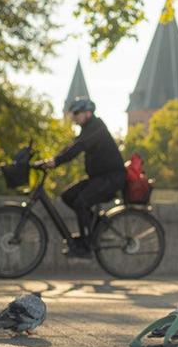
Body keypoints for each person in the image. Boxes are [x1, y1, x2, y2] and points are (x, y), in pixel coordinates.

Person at [34, 98, 125, 257]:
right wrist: (53, 159)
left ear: (88, 113)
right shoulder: (87, 129)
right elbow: (72, 146)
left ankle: (86, 245)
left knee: (82, 202)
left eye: (77, 113)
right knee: (68, 196)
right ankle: (96, 230)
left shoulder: (97, 127)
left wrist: (56, 162)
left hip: (112, 178)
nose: (74, 117)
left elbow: (78, 147)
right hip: (99, 178)